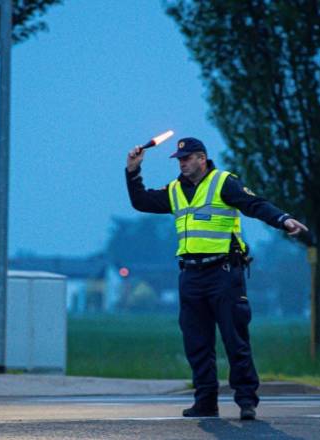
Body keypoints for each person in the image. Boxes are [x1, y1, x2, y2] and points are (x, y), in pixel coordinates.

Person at [125, 137, 308, 420]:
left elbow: (254, 204)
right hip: (190, 275)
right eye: (179, 159)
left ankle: (246, 401)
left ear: (202, 158)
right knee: (196, 343)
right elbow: (141, 202)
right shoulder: (174, 190)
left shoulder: (223, 182)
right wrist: (133, 172)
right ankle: (206, 401)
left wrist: (283, 219)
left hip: (223, 273)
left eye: (187, 158)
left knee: (235, 339)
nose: (182, 163)